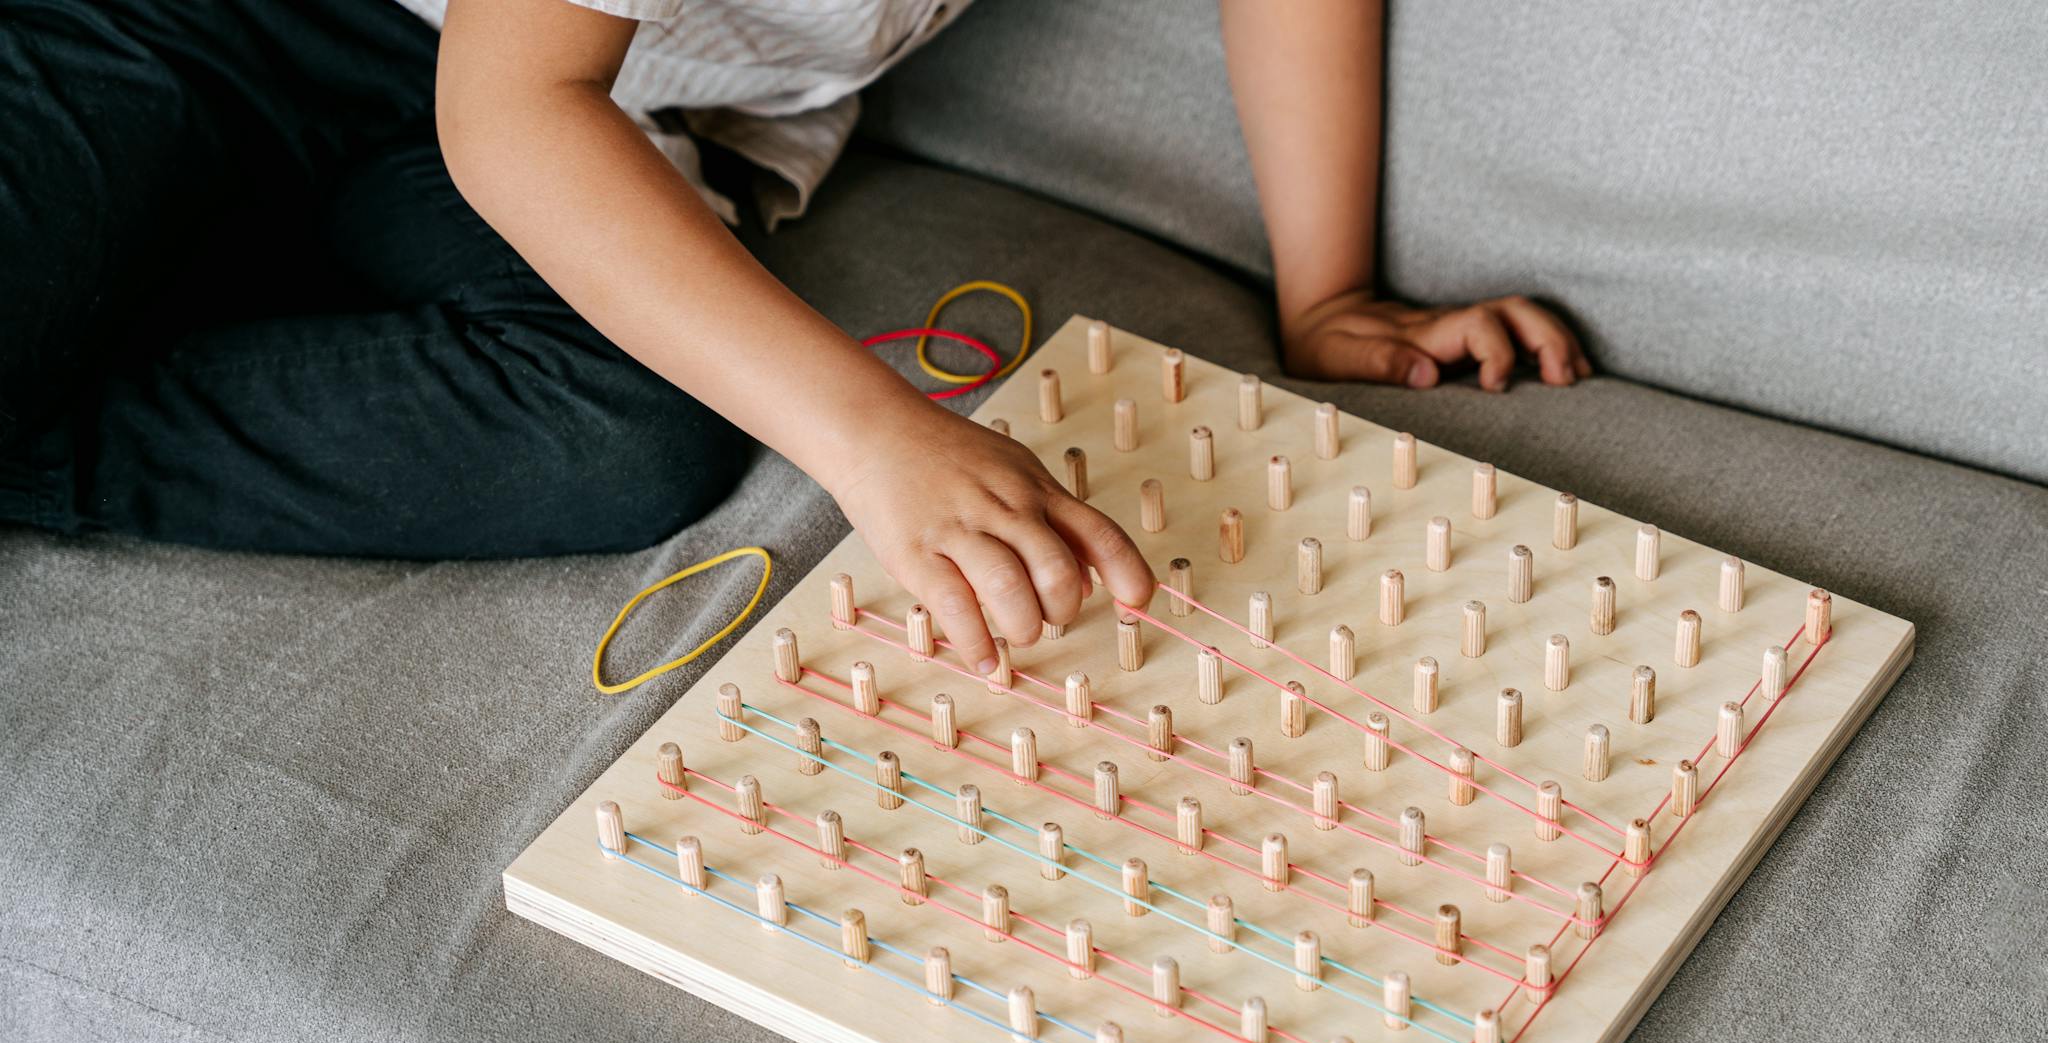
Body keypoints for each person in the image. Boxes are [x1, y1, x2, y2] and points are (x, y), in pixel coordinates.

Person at [0, 0, 1587, 675]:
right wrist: (872, 435)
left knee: (626, 428)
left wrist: (1325, 297)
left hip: (574, 126)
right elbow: (511, 98)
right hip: (204, 25)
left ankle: (56, 406)